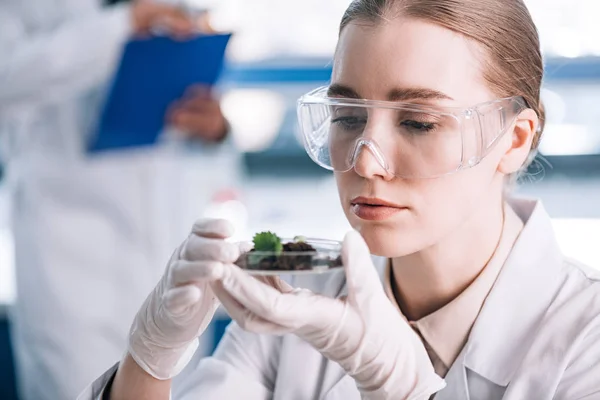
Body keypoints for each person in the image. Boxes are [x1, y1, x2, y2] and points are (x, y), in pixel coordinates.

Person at [82, 0, 600, 398]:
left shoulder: (586, 341)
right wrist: (151, 357)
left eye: (419, 122)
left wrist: (399, 387)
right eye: (347, 118)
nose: (366, 161)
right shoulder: (296, 297)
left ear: (514, 139)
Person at [0, 1, 232, 399]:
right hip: (66, 246)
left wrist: (215, 127)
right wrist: (122, 25)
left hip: (165, 235)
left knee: (180, 383)